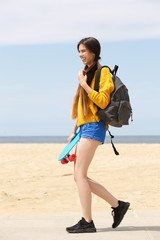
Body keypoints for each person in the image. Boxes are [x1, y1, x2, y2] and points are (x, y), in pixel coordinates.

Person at [66, 37, 130, 233]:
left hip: (95, 126)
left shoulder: (103, 73)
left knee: (79, 176)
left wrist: (83, 84)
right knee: (80, 176)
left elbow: (102, 101)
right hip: (84, 127)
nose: (81, 55)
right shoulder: (86, 73)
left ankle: (88, 221)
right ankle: (118, 206)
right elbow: (81, 105)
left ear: (94, 51)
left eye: (84, 50)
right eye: (79, 51)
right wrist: (73, 130)